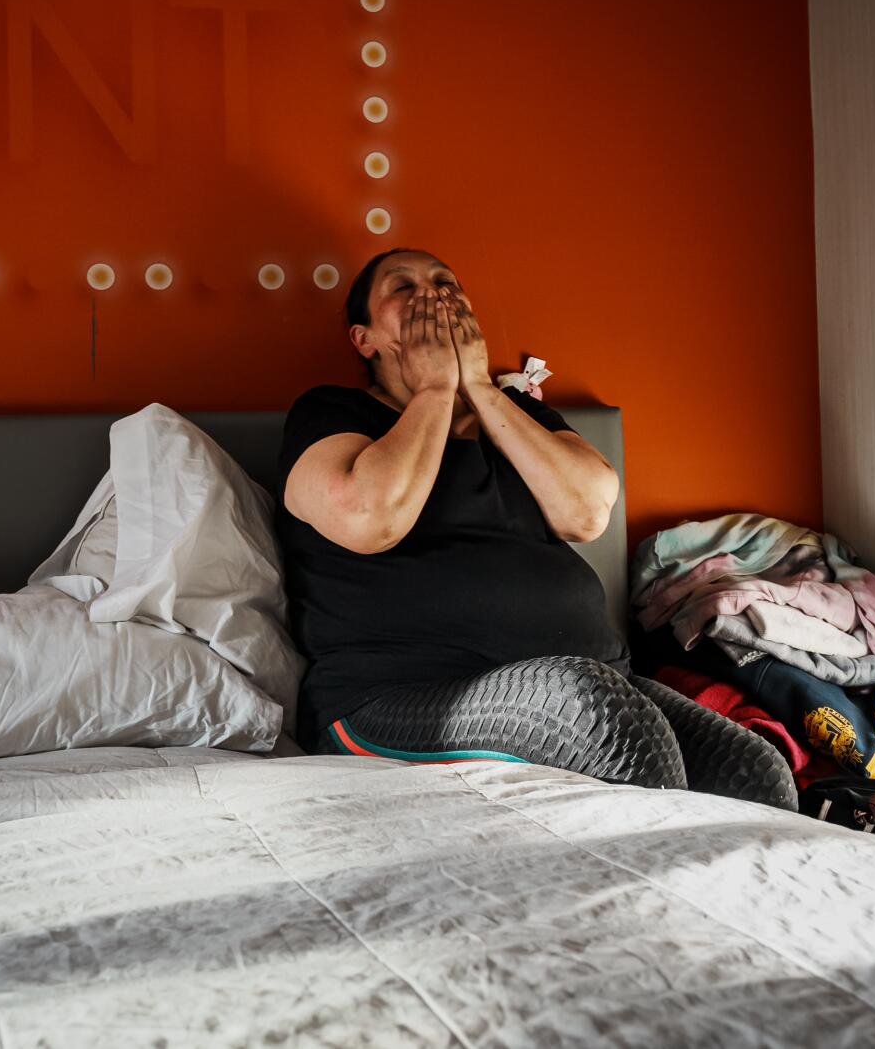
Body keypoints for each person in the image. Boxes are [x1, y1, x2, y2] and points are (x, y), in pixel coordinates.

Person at [275, 247, 794, 807]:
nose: (432, 295)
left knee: (753, 769)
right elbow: (368, 519)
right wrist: (433, 391)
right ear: (364, 339)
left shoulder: (519, 416)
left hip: (595, 676)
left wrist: (479, 388)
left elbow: (587, 513)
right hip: (398, 693)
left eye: (446, 282)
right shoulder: (330, 413)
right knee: (607, 722)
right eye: (403, 287)